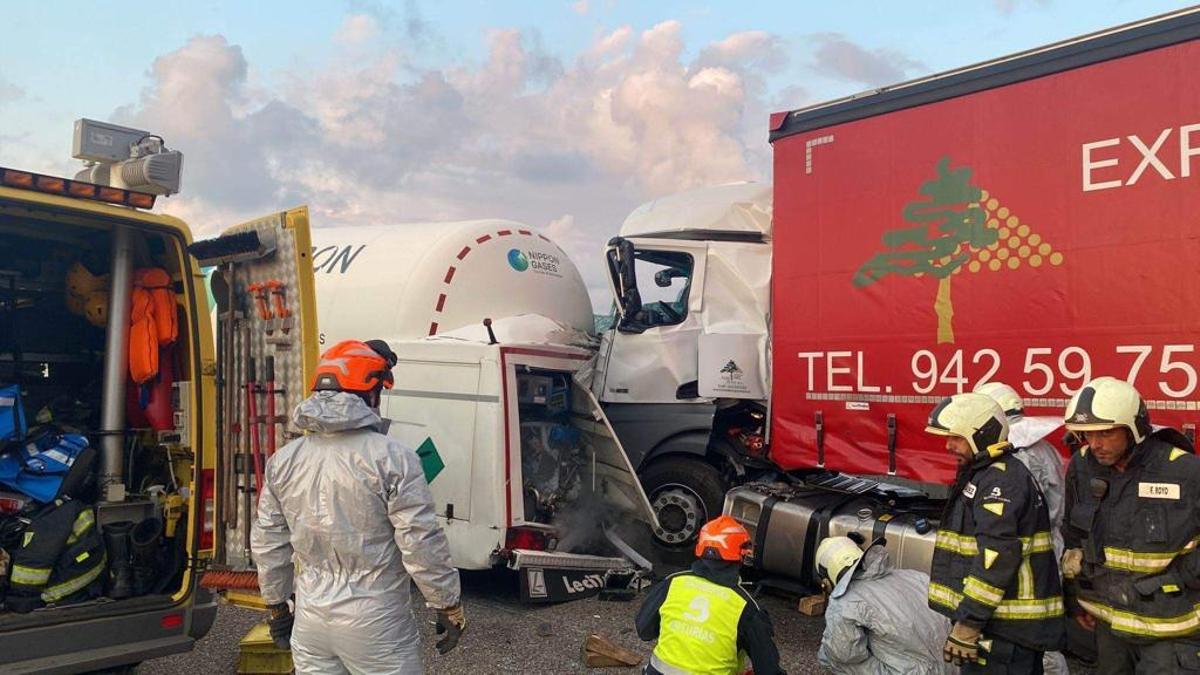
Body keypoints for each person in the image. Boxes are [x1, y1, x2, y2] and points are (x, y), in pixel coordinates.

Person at [251, 339, 465, 674]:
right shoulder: (393, 458)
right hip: (376, 621)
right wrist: (446, 604)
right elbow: (420, 540)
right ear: (371, 393)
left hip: (311, 619)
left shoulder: (285, 461)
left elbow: (268, 541)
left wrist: (277, 606)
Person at [1060, 376, 1200, 673]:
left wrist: (1181, 578)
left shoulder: (1185, 471)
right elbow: (1074, 537)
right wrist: (1074, 596)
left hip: (1171, 629)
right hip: (1111, 625)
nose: (1095, 444)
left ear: (1133, 429)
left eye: (1106, 433)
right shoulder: (1082, 467)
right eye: (1087, 434)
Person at [925, 392, 1065, 672]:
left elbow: (995, 558)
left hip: (1005, 630)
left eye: (956, 437)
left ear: (981, 435)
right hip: (1000, 625)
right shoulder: (986, 474)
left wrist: (969, 623)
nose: (948, 445)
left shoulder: (1000, 481)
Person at [975, 382, 1070, 675]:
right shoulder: (1044, 449)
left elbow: (1009, 518)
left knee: (1029, 634)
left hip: (1026, 555)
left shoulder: (1016, 455)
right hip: (1048, 546)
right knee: (1041, 628)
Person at [636, 515, 784, 675]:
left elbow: (644, 631)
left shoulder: (673, 583)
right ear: (742, 554)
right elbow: (768, 670)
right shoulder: (744, 606)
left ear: (700, 547)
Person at [815, 535, 953, 674]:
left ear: (826, 581)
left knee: (828, 656)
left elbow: (843, 654)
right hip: (954, 667)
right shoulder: (915, 576)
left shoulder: (845, 602)